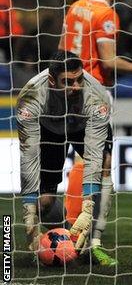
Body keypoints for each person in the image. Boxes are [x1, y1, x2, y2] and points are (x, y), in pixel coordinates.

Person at [58, 0, 132, 266]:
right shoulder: (106, 14)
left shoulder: (76, 6)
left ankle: (69, 233)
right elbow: (107, 62)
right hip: (92, 93)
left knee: (79, 160)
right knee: (101, 165)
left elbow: (60, 49)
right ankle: (91, 240)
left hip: (66, 90)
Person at [17, 52, 111, 261]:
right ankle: (69, 238)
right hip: (50, 129)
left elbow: (94, 156)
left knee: (105, 161)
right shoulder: (30, 98)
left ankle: (95, 242)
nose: (76, 86)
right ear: (51, 81)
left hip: (83, 125)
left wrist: (87, 210)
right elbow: (29, 155)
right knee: (45, 203)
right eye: (67, 82)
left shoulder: (97, 97)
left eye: (79, 79)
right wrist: (29, 212)